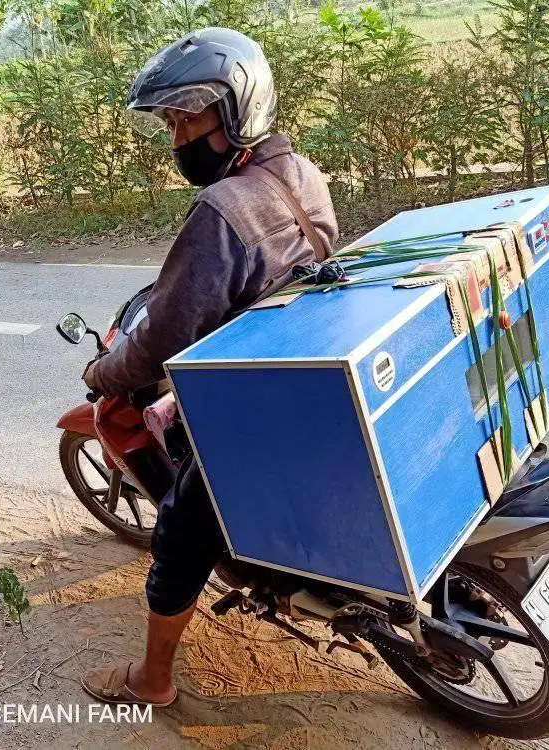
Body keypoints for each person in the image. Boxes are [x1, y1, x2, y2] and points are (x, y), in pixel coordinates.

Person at [80, 27, 338, 707]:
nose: (176, 141)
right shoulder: (301, 174)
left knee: (178, 541)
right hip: (298, 373)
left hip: (254, 416)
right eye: (169, 122)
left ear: (235, 110)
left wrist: (105, 373)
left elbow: (164, 333)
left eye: (185, 118)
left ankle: (154, 681)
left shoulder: (222, 210)